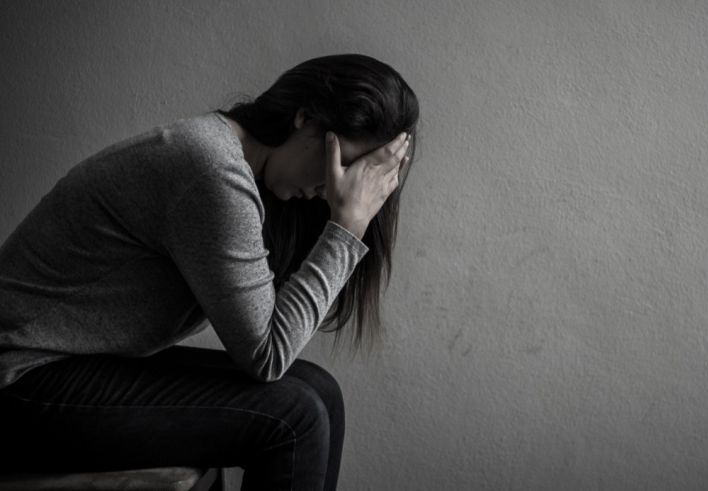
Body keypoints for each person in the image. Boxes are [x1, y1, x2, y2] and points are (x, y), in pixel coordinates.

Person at [0, 53, 419, 490]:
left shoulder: (236, 167)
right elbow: (268, 356)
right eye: (344, 165)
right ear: (305, 119)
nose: (333, 188)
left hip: (75, 367)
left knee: (320, 391)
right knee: (294, 416)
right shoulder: (212, 170)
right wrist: (347, 226)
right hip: (22, 380)